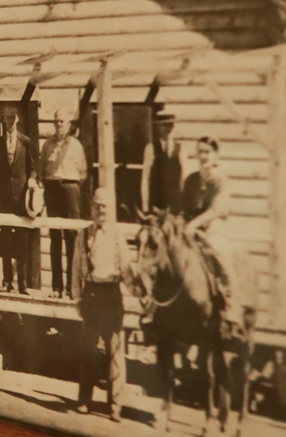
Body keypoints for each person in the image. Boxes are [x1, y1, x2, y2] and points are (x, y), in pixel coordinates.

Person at [74, 188, 127, 418]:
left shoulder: (117, 236)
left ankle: (115, 404)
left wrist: (138, 290)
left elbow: (127, 267)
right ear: (92, 208)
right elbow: (75, 268)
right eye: (97, 206)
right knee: (89, 349)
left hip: (112, 294)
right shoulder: (84, 235)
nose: (100, 210)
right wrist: (77, 297)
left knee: (114, 349)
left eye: (104, 206)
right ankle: (84, 400)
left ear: (110, 209)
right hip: (92, 294)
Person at [182, 136, 243, 331]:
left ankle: (232, 306)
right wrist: (184, 224)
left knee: (221, 254)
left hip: (215, 227)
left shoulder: (221, 180)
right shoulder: (191, 180)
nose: (203, 156)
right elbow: (184, 207)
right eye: (200, 151)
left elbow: (217, 209)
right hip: (191, 227)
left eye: (207, 152)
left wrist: (195, 224)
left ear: (215, 155)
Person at [0, 106, 37, 292]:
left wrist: (32, 180)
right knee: (5, 242)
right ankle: (7, 281)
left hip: (21, 199)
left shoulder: (25, 142)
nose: (10, 120)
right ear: (3, 119)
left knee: (22, 242)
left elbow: (33, 168)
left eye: (12, 117)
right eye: (7, 117)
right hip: (4, 200)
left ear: (17, 119)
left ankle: (22, 284)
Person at [41, 113, 89, 296]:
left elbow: (83, 173)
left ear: (69, 125)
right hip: (52, 189)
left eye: (62, 121)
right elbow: (41, 168)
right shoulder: (47, 144)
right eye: (56, 121)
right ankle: (57, 287)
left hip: (70, 189)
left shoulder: (76, 145)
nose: (58, 124)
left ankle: (72, 287)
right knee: (55, 239)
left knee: (71, 239)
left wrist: (70, 187)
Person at [139, 101, 185, 217]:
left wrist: (183, 204)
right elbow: (146, 178)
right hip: (157, 203)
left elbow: (183, 177)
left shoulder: (180, 148)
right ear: (158, 127)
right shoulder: (151, 148)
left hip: (174, 204)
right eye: (163, 125)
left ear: (173, 126)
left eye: (169, 125)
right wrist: (145, 206)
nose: (166, 129)